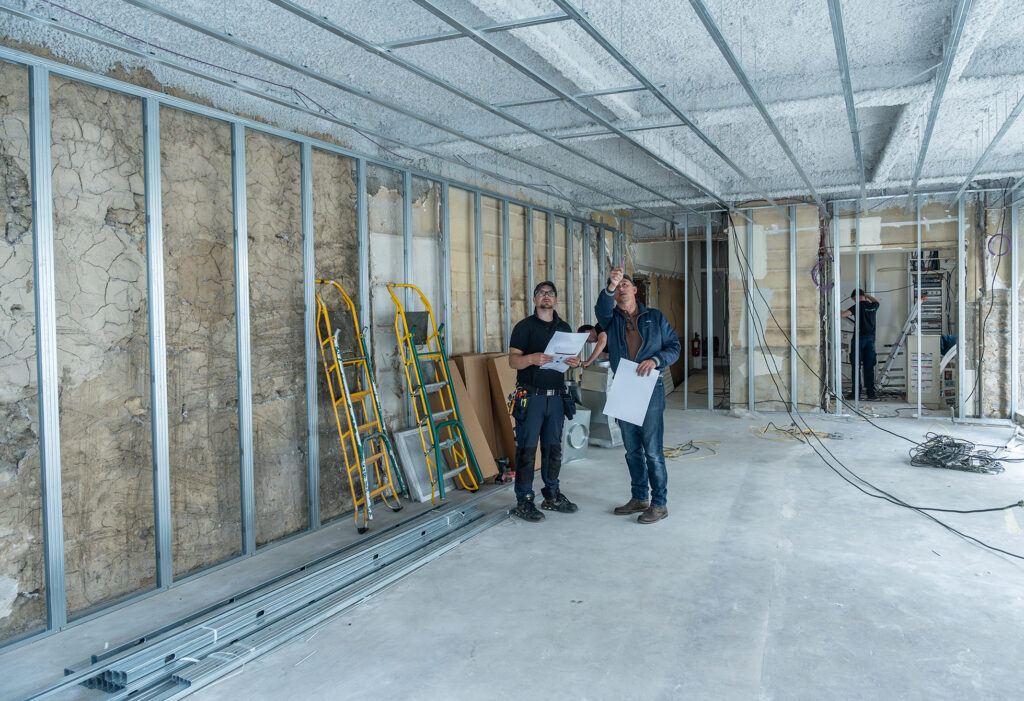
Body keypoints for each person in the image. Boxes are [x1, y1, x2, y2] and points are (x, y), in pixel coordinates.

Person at [596, 268, 681, 524]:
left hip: (649, 386)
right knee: (632, 449)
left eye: (625, 284)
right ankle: (639, 497)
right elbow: (600, 309)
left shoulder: (654, 317)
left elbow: (674, 347)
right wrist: (609, 286)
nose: (621, 287)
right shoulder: (610, 319)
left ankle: (659, 504)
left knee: (652, 449)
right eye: (617, 285)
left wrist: (656, 360)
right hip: (623, 384)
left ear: (635, 290)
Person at [507, 281, 581, 522]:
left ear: (556, 299)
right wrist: (531, 358)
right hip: (531, 398)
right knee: (527, 451)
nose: (546, 297)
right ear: (534, 299)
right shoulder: (524, 327)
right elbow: (513, 361)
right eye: (541, 293)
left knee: (554, 449)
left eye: (550, 294)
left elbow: (571, 357)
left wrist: (576, 363)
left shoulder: (564, 327)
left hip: (557, 398)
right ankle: (524, 501)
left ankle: (551, 495)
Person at [841, 289, 880, 400]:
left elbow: (844, 315)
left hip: (859, 340)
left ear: (855, 298)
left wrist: (836, 310)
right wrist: (866, 295)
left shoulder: (857, 307)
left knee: (856, 366)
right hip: (871, 340)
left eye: (854, 299)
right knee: (869, 367)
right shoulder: (873, 306)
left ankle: (856, 393)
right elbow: (877, 301)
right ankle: (871, 394)